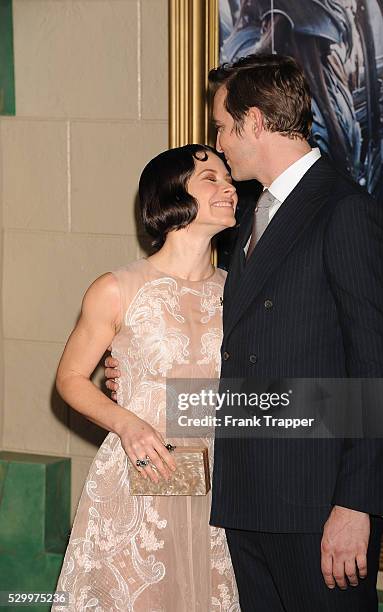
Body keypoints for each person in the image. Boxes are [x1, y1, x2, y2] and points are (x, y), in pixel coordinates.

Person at [105, 54, 383, 612]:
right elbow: (240, 353)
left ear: (256, 122)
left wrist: (356, 506)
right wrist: (139, 371)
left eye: (222, 126)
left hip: (317, 511)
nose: (218, 141)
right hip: (244, 505)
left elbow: (378, 370)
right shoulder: (245, 218)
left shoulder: (345, 211)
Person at [53, 145, 240, 611]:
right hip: (141, 478)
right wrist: (127, 423)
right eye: (211, 178)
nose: (229, 187)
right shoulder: (116, 288)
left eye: (228, 178)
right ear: (173, 195)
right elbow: (71, 378)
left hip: (221, 486)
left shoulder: (239, 290)